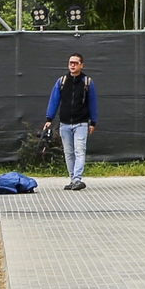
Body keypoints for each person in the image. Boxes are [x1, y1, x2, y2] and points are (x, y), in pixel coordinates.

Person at [45, 53, 96, 189]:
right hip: (65, 123)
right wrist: (49, 118)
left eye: (75, 63)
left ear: (81, 65)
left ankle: (77, 178)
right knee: (68, 152)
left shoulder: (87, 82)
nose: (72, 65)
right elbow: (54, 100)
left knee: (80, 150)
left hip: (81, 123)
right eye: (70, 63)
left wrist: (93, 122)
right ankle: (73, 180)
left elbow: (92, 103)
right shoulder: (61, 81)